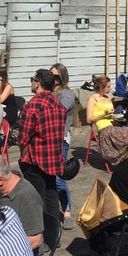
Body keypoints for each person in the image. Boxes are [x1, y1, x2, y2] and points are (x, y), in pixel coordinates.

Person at [18, 68, 66, 220]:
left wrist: (22, 157)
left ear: (37, 83)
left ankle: (43, 233)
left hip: (36, 159)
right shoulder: (58, 104)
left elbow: (23, 138)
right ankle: (54, 232)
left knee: (37, 197)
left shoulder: (32, 106)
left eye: (32, 80)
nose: (31, 83)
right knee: (51, 193)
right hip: (53, 157)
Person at [86, 75, 128, 168]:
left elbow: (110, 114)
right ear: (101, 87)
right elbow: (89, 119)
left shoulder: (108, 98)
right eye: (108, 86)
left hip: (113, 125)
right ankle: (126, 160)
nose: (110, 88)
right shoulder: (93, 99)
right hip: (104, 128)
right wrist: (104, 114)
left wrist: (116, 116)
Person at [50, 62, 75, 229]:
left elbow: (58, 112)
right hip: (47, 139)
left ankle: (67, 211)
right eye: (51, 76)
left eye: (57, 77)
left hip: (60, 139)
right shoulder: (49, 92)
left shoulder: (67, 94)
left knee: (59, 177)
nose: (54, 80)